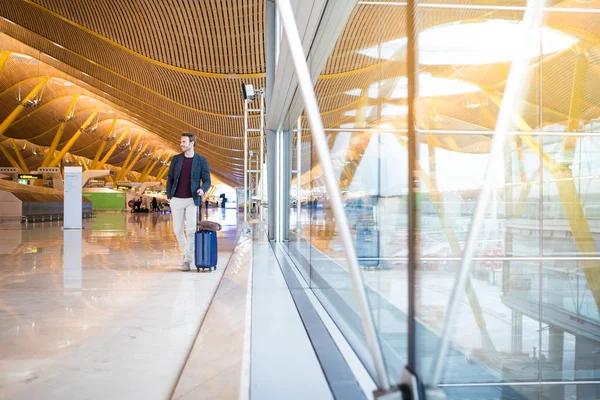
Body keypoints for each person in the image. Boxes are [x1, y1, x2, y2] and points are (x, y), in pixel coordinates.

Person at [166, 132, 211, 271]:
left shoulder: (201, 160)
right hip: (177, 199)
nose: (181, 144)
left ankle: (187, 260)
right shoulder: (176, 159)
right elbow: (170, 178)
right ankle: (187, 254)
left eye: (184, 142)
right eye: (181, 142)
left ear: (192, 143)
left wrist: (202, 189)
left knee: (191, 231)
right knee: (178, 230)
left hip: (192, 199)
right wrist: (169, 196)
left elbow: (207, 180)